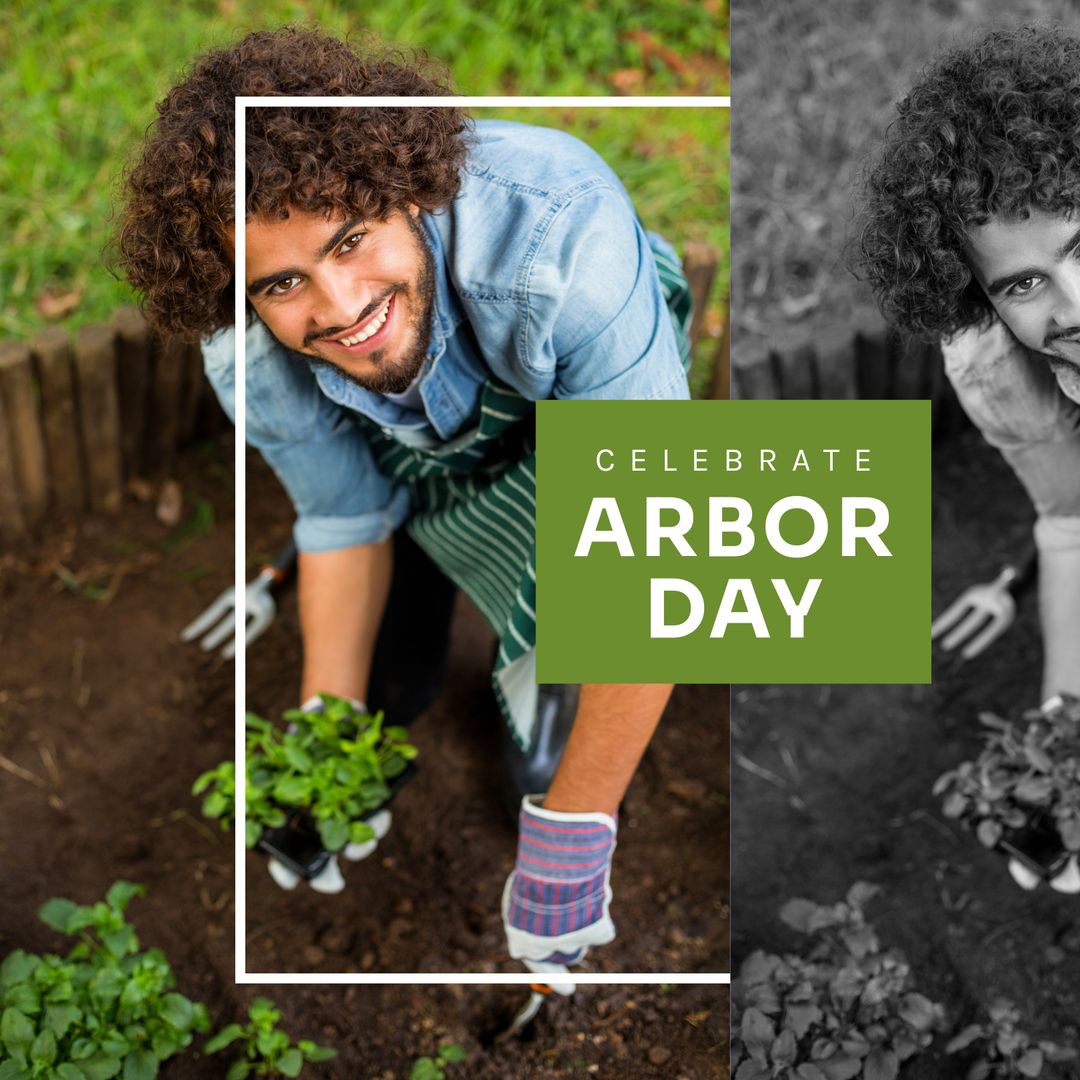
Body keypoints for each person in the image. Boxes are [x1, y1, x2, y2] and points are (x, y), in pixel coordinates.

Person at [118, 27, 692, 968]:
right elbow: (344, 521)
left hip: (578, 413)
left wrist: (574, 836)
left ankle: (547, 675)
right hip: (424, 446)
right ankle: (439, 562)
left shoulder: (562, 246)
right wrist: (327, 755)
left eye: (350, 239)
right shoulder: (251, 354)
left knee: (551, 761)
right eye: (285, 282)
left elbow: (660, 558)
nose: (339, 305)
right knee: (385, 687)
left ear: (410, 190)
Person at [857, 24, 1080, 890]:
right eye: (1023, 283)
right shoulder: (999, 366)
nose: (1071, 307)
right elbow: (1070, 521)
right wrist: (1061, 743)